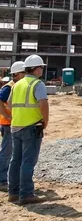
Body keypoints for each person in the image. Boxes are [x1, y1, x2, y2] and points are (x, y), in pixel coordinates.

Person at [7, 55, 49, 204]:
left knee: (15, 161)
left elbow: (10, 105)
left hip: (15, 127)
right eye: (41, 67)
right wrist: (45, 121)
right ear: (37, 69)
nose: (42, 70)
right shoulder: (37, 84)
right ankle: (26, 194)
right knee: (28, 161)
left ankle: (13, 193)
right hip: (31, 127)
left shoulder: (16, 84)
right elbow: (43, 104)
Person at [0, 61, 26, 192]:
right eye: (24, 73)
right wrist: (7, 115)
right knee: (6, 153)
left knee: (12, 153)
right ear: (17, 74)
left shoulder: (16, 86)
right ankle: (1, 180)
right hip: (7, 124)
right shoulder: (9, 87)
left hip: (14, 124)